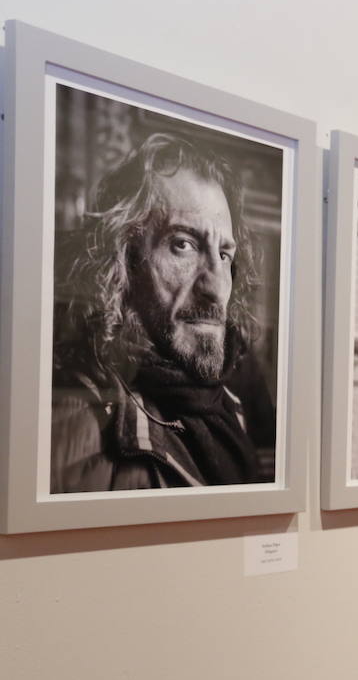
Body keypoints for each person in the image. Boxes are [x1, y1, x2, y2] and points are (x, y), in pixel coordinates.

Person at [50, 132, 276, 492]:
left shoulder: (228, 402)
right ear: (125, 258)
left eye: (224, 254)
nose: (216, 288)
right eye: (183, 245)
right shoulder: (79, 431)